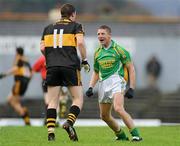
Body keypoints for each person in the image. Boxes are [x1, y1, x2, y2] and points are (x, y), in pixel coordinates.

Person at [40, 3, 90, 141]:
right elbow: (80, 43)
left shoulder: (47, 28)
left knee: (52, 101)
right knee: (78, 99)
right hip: (70, 66)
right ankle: (69, 123)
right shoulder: (76, 26)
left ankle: (51, 134)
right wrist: (84, 59)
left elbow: (43, 48)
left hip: (52, 67)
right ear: (72, 14)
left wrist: (51, 58)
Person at [86, 25, 142, 142]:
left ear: (109, 36)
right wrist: (91, 87)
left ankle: (136, 135)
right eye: (98, 34)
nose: (100, 36)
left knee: (118, 108)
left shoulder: (119, 50)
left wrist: (131, 87)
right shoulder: (97, 52)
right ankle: (121, 135)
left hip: (117, 80)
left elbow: (131, 68)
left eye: (103, 34)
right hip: (103, 83)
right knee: (104, 116)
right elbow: (96, 72)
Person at [32, 55, 69, 125]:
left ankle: (49, 118)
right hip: (55, 79)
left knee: (48, 101)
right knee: (56, 100)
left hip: (45, 80)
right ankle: (56, 118)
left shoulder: (42, 58)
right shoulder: (57, 56)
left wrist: (43, 69)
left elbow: (35, 68)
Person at [0, 47, 32, 125]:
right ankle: (24, 113)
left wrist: (4, 74)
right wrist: (26, 82)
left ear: (17, 53)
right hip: (24, 83)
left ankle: (24, 115)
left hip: (19, 83)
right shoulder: (26, 61)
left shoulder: (19, 59)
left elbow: (16, 68)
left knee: (13, 102)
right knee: (10, 100)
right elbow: (31, 73)